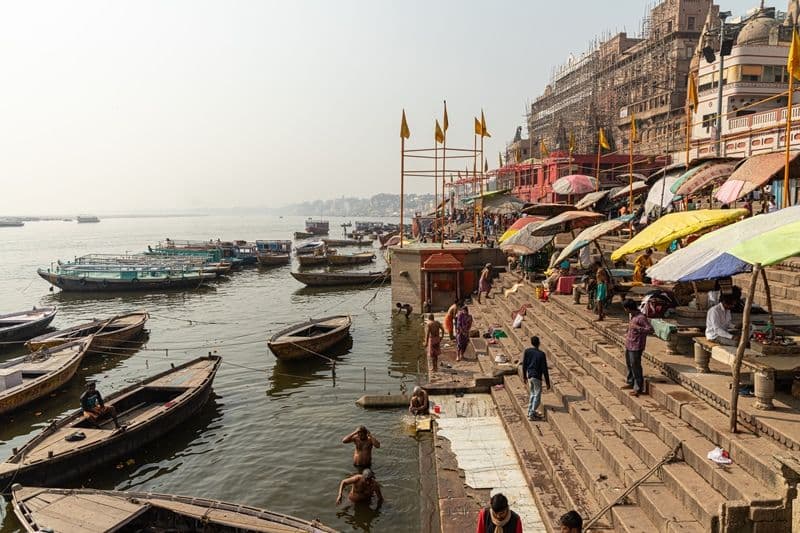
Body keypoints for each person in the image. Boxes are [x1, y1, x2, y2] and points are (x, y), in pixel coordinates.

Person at [622, 299, 653, 397]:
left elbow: (650, 330)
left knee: (636, 366)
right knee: (629, 364)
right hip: (629, 344)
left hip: (636, 346)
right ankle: (630, 382)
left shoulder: (641, 318)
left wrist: (637, 328)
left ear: (628, 308)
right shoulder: (633, 316)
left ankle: (638, 387)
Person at [521, 336, 551, 420]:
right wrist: (548, 382)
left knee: (532, 394)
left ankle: (530, 411)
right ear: (539, 343)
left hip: (529, 375)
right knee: (537, 395)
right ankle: (532, 413)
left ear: (531, 342)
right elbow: (544, 369)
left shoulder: (527, 351)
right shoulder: (541, 354)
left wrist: (524, 376)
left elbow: (524, 365)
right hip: (537, 376)